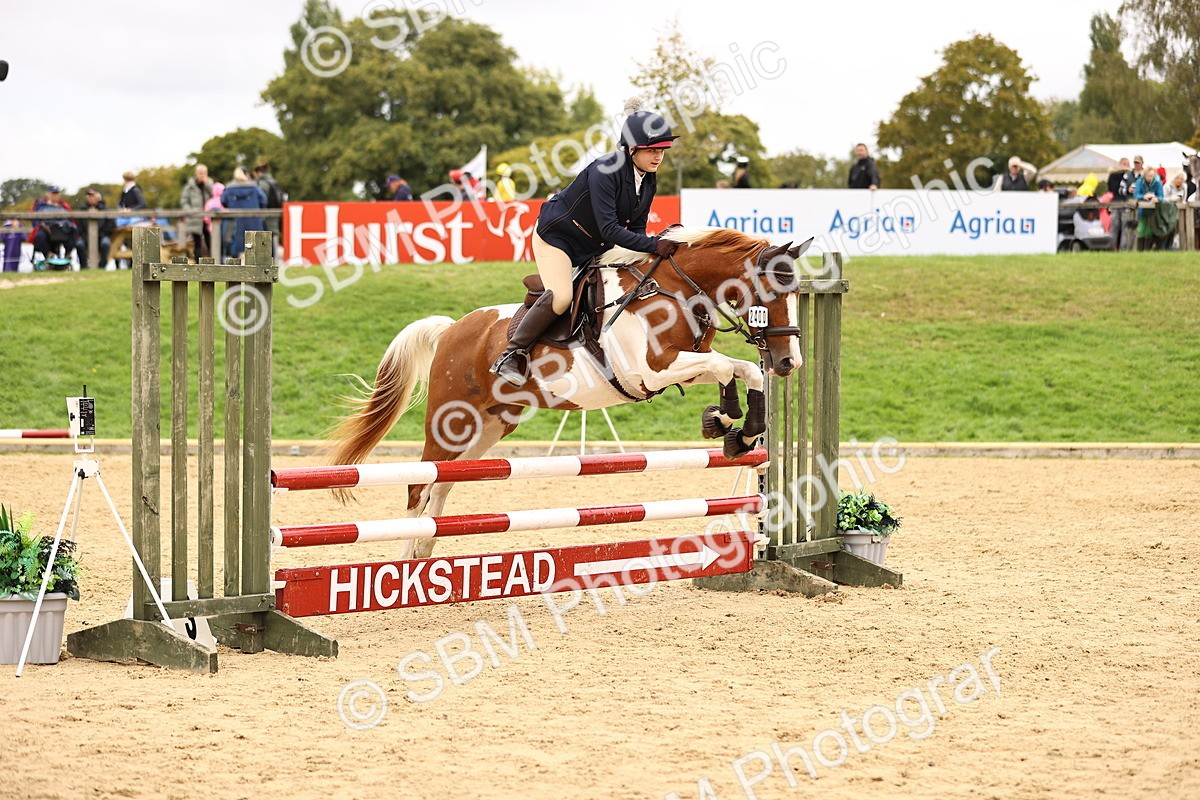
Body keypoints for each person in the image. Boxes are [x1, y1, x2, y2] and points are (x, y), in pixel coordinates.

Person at [489, 100, 680, 386]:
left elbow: (636, 228)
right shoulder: (606, 170)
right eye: (652, 150)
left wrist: (650, 249)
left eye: (662, 151)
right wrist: (653, 245)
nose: (658, 157)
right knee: (562, 296)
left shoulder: (649, 180)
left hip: (595, 244)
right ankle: (512, 353)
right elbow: (610, 227)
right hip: (558, 238)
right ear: (631, 149)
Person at [220, 167, 267, 257]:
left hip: (235, 223)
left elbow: (223, 201)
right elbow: (263, 200)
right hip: (254, 221)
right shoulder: (254, 187)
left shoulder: (229, 188)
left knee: (235, 249)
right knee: (255, 248)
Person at [29, 186, 77, 262]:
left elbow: (70, 219)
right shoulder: (41, 206)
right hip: (46, 229)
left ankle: (67, 255)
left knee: (74, 230)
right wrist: (42, 225)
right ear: (48, 194)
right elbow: (36, 220)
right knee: (39, 236)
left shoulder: (63, 206)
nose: (55, 195)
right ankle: (49, 255)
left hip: (62, 229)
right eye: (53, 193)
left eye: (57, 193)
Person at [74, 188, 114, 269]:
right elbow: (78, 226)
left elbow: (111, 225)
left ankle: (102, 267)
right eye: (88, 196)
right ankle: (84, 267)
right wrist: (85, 235)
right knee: (79, 244)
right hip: (86, 236)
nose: (90, 198)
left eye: (92, 195)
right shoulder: (82, 210)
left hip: (102, 236)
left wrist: (101, 234)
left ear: (98, 197)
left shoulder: (106, 209)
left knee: (105, 243)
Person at [179, 164, 212, 258]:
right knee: (197, 243)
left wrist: (207, 184)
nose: (202, 175)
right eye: (200, 173)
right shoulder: (189, 187)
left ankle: (213, 263)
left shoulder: (210, 184)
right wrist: (190, 211)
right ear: (196, 173)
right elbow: (184, 201)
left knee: (210, 241)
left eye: (204, 173)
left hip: (208, 218)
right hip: (195, 218)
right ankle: (198, 265)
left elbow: (215, 196)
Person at [252, 161, 284, 251]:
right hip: (275, 215)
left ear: (257, 173)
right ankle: (275, 262)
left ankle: (271, 262)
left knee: (267, 242)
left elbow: (262, 201)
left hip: (266, 216)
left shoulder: (262, 184)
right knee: (274, 238)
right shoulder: (273, 181)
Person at [1132, 165, 1164, 251]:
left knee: (1149, 230)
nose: (1150, 178)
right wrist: (1144, 196)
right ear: (1145, 175)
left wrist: (1156, 198)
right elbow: (1136, 194)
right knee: (1141, 228)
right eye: (1149, 176)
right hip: (1142, 210)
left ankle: (1147, 250)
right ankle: (1140, 251)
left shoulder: (1158, 183)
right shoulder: (1139, 182)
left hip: (1153, 210)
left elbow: (1161, 196)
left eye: (1152, 176)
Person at [1106, 158, 1134, 251]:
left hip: (1125, 203)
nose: (1126, 165)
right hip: (1117, 203)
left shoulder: (1130, 175)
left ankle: (1122, 249)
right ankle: (1113, 248)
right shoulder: (1114, 175)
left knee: (1124, 227)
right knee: (1115, 227)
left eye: (1127, 163)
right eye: (1124, 163)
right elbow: (1111, 188)